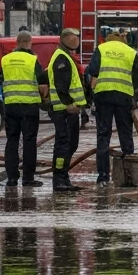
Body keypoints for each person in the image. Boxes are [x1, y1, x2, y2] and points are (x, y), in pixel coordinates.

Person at [86, 29, 138, 186]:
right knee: (125, 134)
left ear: (108, 40)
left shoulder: (102, 49)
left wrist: (90, 97)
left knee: (103, 135)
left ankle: (103, 176)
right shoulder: (131, 52)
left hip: (103, 96)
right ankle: (128, 174)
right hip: (124, 97)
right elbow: (137, 80)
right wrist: (135, 101)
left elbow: (92, 72)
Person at [0, 30, 49, 187]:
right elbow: (41, 85)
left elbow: (1, 80)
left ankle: (12, 178)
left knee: (12, 141)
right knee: (29, 141)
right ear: (29, 43)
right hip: (29, 106)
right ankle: (28, 178)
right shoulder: (32, 60)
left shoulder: (5, 60)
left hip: (11, 105)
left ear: (17, 42)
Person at [46, 27, 90, 191]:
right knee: (64, 144)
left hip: (69, 110)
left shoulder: (66, 57)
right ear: (66, 40)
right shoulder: (62, 59)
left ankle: (63, 176)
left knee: (70, 144)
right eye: (75, 38)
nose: (77, 41)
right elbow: (61, 86)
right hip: (63, 110)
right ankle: (59, 179)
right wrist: (69, 104)